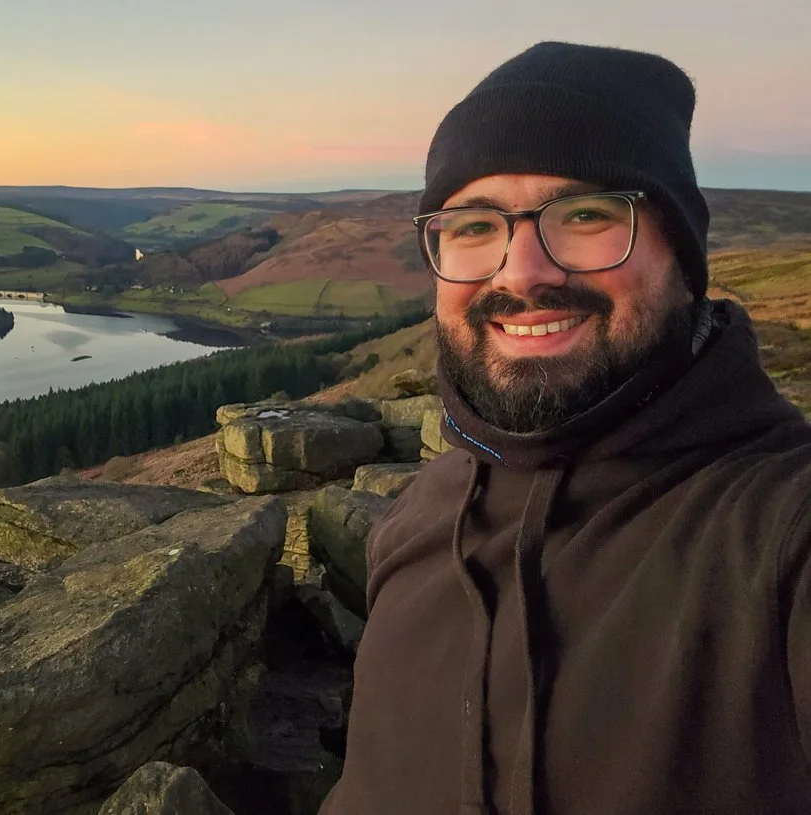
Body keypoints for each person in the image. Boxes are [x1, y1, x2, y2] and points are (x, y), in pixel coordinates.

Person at [320, 41, 811, 814]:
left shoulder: (782, 532)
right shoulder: (416, 518)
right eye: (474, 225)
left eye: (584, 214)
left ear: (681, 256)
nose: (521, 273)